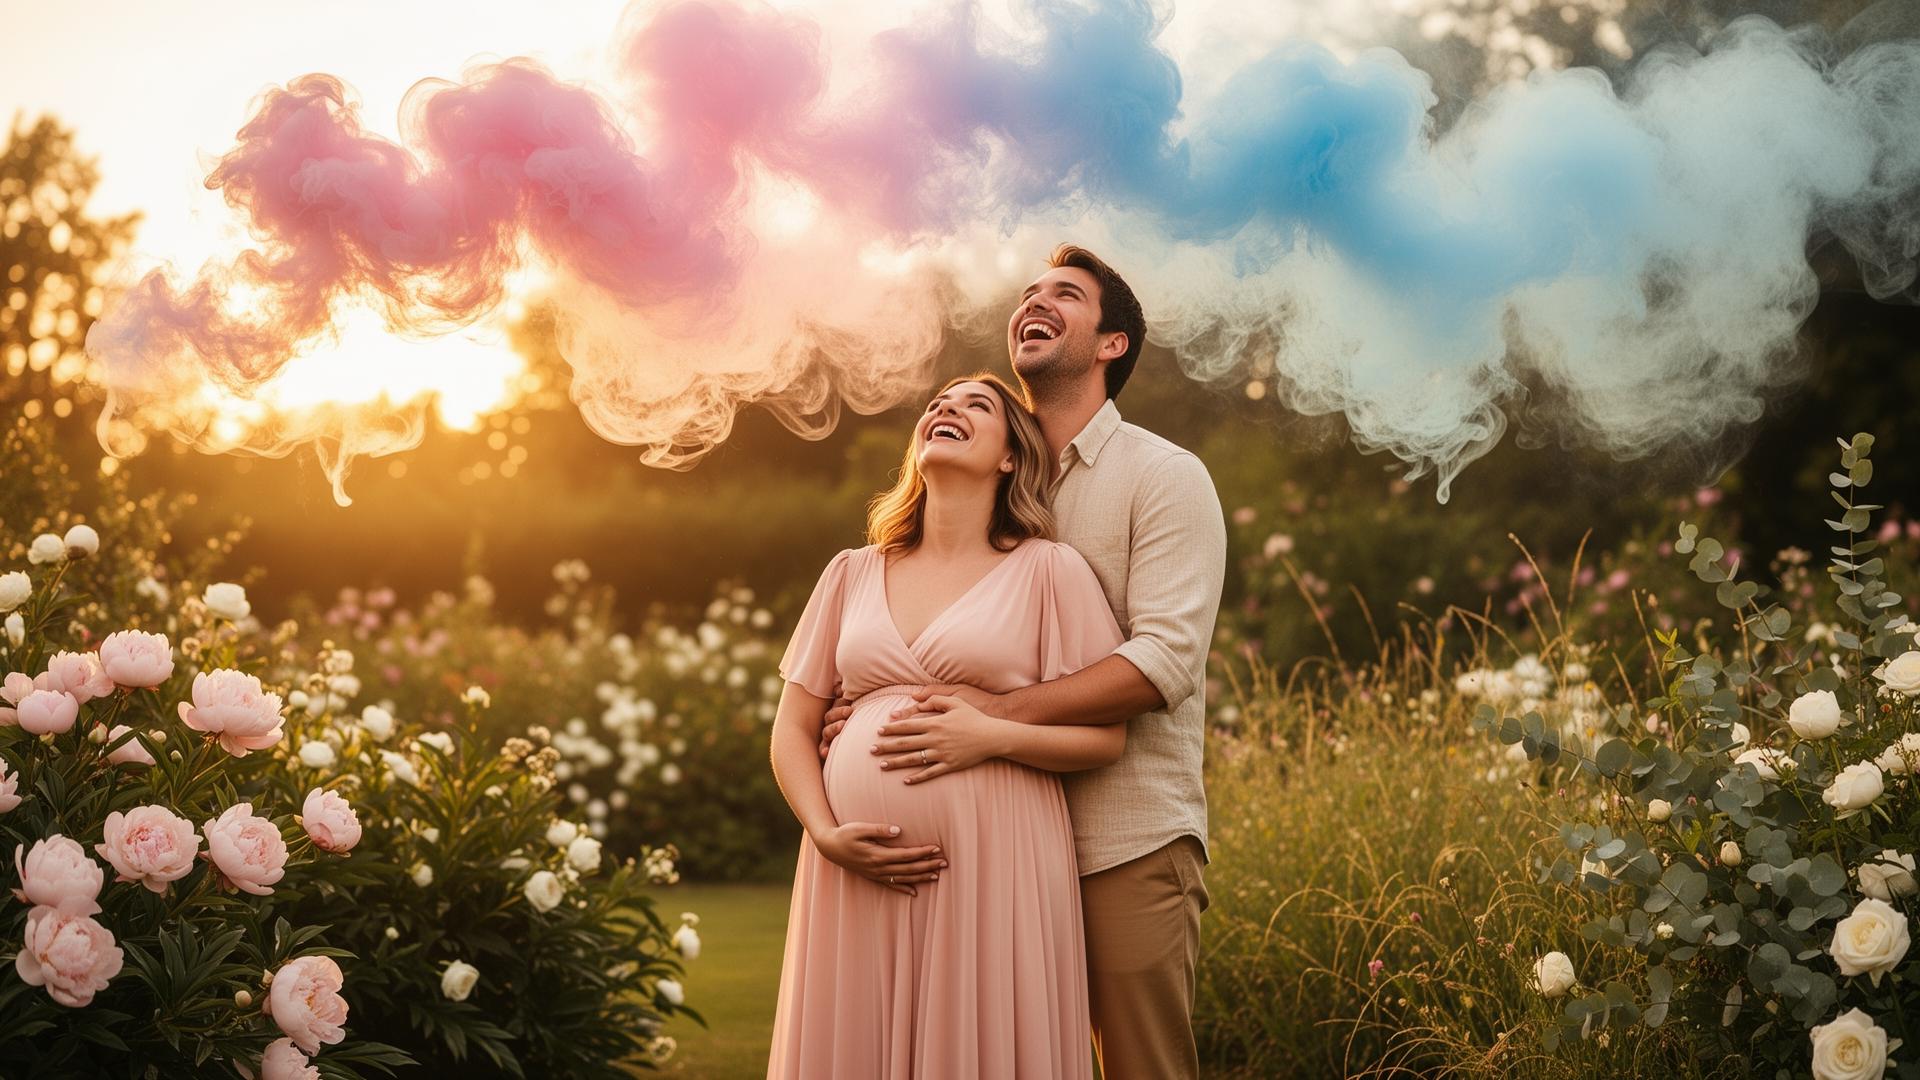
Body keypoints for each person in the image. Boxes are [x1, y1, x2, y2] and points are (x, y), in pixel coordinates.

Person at [823, 245, 1227, 1078]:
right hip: (987, 850)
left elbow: (1164, 661)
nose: (1034, 304)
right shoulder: (985, 472)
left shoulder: (1164, 477)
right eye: (1029, 294)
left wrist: (989, 721)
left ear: (1111, 343)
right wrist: (874, 711)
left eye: (1066, 295)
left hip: (1121, 840)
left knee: (1141, 1069)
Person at [766, 372, 1128, 1079]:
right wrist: (825, 832)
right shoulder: (850, 572)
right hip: (850, 868)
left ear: (1010, 458)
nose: (945, 407)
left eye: (976, 405)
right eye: (939, 402)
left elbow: (1106, 737)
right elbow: (790, 729)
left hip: (997, 860)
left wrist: (994, 735)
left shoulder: (1049, 571)